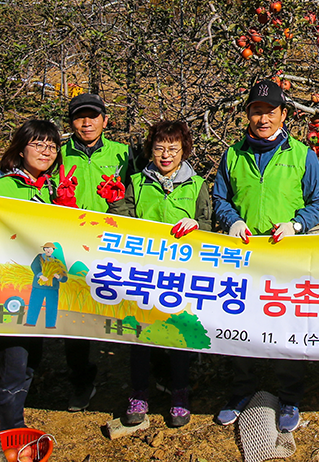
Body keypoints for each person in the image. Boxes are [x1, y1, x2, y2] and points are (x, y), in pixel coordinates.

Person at [213, 79, 319, 432]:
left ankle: (290, 396)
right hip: (244, 258)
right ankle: (240, 391)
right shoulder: (233, 155)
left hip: (286, 258)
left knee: (287, 330)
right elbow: (220, 198)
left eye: (270, 111)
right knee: (239, 326)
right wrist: (231, 219)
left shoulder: (301, 155)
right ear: (247, 114)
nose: (262, 119)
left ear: (284, 114)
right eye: (256, 111)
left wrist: (297, 225)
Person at [109, 120, 211, 428]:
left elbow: (207, 226)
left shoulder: (197, 185)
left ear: (184, 151)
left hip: (180, 276)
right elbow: (119, 218)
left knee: (178, 333)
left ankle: (180, 393)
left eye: (173, 149)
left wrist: (196, 227)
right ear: (150, 150)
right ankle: (138, 393)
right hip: (143, 274)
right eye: (159, 148)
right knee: (139, 335)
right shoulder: (138, 182)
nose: (165, 155)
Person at [0, 120, 78, 430]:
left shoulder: (48, 187)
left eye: (51, 146)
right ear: (21, 149)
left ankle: (11, 424)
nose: (46, 151)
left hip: (41, 291)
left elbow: (66, 235)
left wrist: (65, 202)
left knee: (29, 361)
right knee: (13, 363)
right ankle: (3, 433)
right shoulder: (2, 188)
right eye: (38, 144)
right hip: (9, 291)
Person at [61, 92, 133, 411]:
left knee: (132, 311)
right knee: (73, 319)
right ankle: (81, 381)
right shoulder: (58, 154)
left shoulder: (124, 154)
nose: (86, 122)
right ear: (72, 123)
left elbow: (141, 194)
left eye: (93, 116)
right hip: (72, 246)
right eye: (79, 117)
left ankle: (143, 380)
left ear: (106, 120)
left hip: (115, 248)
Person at [25, 242, 68, 328]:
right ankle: (30, 322)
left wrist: (59, 277)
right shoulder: (39, 257)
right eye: (46, 248)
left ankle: (50, 325)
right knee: (34, 304)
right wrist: (41, 275)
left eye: (50, 249)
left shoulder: (57, 261)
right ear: (44, 249)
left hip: (52, 288)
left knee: (52, 307)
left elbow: (64, 276)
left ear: (53, 250)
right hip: (39, 286)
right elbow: (34, 266)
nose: (48, 250)